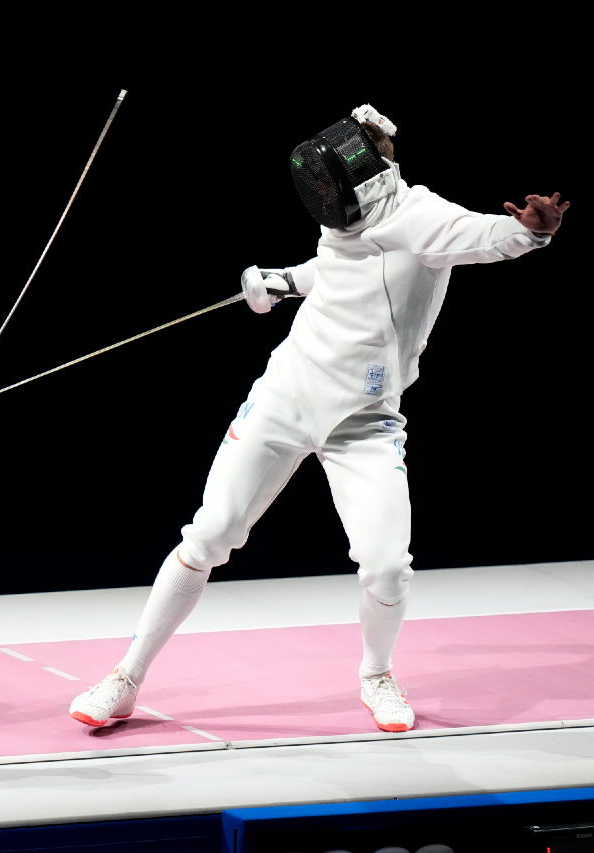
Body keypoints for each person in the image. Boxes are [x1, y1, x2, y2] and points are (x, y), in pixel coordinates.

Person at [68, 104, 569, 733]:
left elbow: (483, 237)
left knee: (386, 565)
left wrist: (532, 233)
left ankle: (376, 675)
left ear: (368, 178)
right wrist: (281, 280)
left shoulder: (423, 218)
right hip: (286, 396)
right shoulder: (347, 222)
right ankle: (127, 676)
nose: (326, 199)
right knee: (210, 532)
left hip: (365, 420)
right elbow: (334, 270)